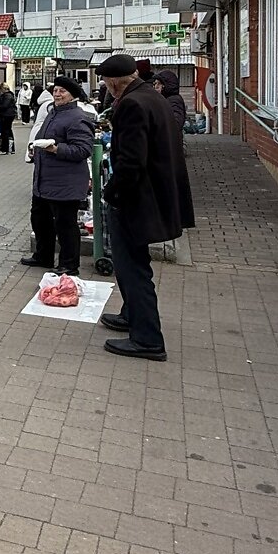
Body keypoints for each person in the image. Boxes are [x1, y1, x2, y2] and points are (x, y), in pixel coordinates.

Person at [96, 54, 195, 362]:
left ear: (113, 82)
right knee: (131, 264)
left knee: (132, 267)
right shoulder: (152, 97)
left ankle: (147, 339)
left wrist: (111, 193)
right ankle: (131, 315)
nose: (106, 87)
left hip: (136, 199)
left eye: (105, 82)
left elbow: (130, 162)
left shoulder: (131, 104)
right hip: (152, 194)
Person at [20, 77, 95, 274]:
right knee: (40, 219)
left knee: (65, 225)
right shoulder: (53, 112)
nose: (57, 94)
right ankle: (43, 256)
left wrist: (55, 149)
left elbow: (82, 150)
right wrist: (34, 151)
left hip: (65, 183)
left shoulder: (77, 118)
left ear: (73, 96)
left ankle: (69, 266)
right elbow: (42, 139)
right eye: (55, 90)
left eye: (62, 91)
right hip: (44, 180)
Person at [155, 69, 188, 134]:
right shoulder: (166, 99)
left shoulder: (174, 100)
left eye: (159, 84)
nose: (156, 87)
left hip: (170, 141)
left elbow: (177, 123)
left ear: (165, 85)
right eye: (155, 84)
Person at [0, 83, 17, 154]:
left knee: (5, 131)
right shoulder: (10, 95)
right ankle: (11, 148)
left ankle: (5, 149)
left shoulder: (7, 96)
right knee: (8, 131)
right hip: (9, 114)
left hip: (6, 115)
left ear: (4, 89)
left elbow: (4, 106)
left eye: (1, 89)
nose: (0, 91)